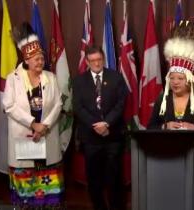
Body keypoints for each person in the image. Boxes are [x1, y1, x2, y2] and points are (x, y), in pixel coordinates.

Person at [147, 20, 194, 210]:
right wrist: (165, 126)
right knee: (172, 195)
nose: (175, 82)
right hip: (168, 155)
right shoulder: (162, 99)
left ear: (189, 79)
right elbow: (151, 127)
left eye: (180, 78)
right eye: (172, 78)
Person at [3, 22, 65, 209]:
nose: (41, 62)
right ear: (27, 60)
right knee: (26, 195)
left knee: (49, 194)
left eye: (42, 58)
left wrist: (43, 126)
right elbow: (9, 105)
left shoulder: (51, 77)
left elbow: (58, 104)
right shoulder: (12, 79)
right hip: (23, 139)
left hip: (46, 137)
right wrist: (32, 124)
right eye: (37, 59)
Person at [73, 45, 127, 210]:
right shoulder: (78, 81)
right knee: (94, 178)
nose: (97, 63)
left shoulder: (116, 77)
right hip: (91, 137)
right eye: (93, 61)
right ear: (87, 62)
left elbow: (121, 103)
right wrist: (94, 125)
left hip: (113, 136)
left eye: (99, 60)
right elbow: (78, 107)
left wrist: (107, 123)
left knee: (115, 177)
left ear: (103, 59)